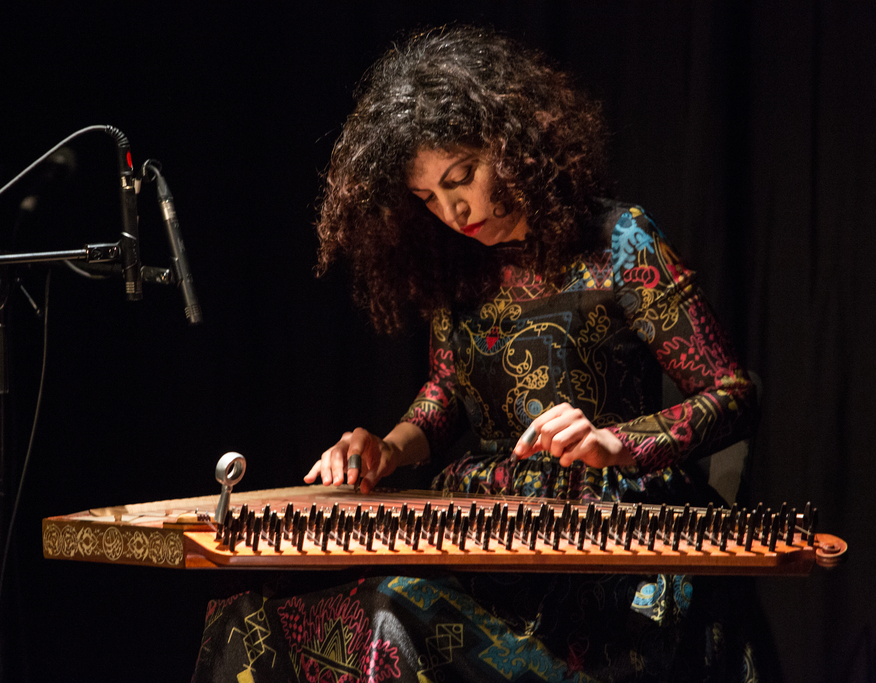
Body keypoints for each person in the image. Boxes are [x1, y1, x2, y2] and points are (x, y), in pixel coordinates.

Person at [194, 27, 764, 682]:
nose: (451, 209)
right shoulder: (458, 270)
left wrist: (616, 441)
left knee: (387, 612)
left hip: (608, 551)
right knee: (248, 621)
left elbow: (731, 393)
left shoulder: (620, 242)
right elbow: (443, 397)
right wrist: (390, 446)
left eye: (460, 177)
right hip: (486, 532)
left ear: (511, 144)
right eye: (426, 197)